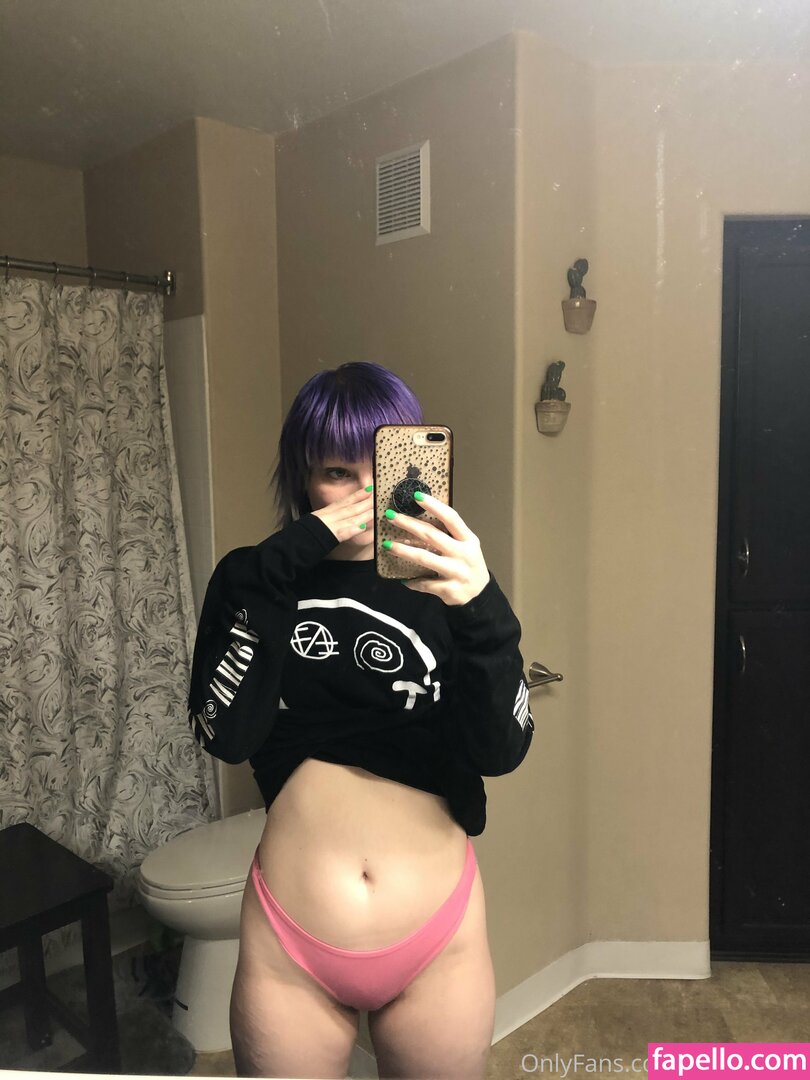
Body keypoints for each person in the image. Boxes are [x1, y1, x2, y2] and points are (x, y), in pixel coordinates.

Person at [187, 361, 534, 1080]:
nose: (364, 495)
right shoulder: (256, 578)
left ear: (416, 472)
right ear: (303, 478)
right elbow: (226, 735)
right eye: (338, 473)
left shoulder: (447, 586)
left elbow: (500, 750)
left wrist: (484, 610)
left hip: (436, 936)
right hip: (291, 942)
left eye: (385, 470)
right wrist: (281, 563)